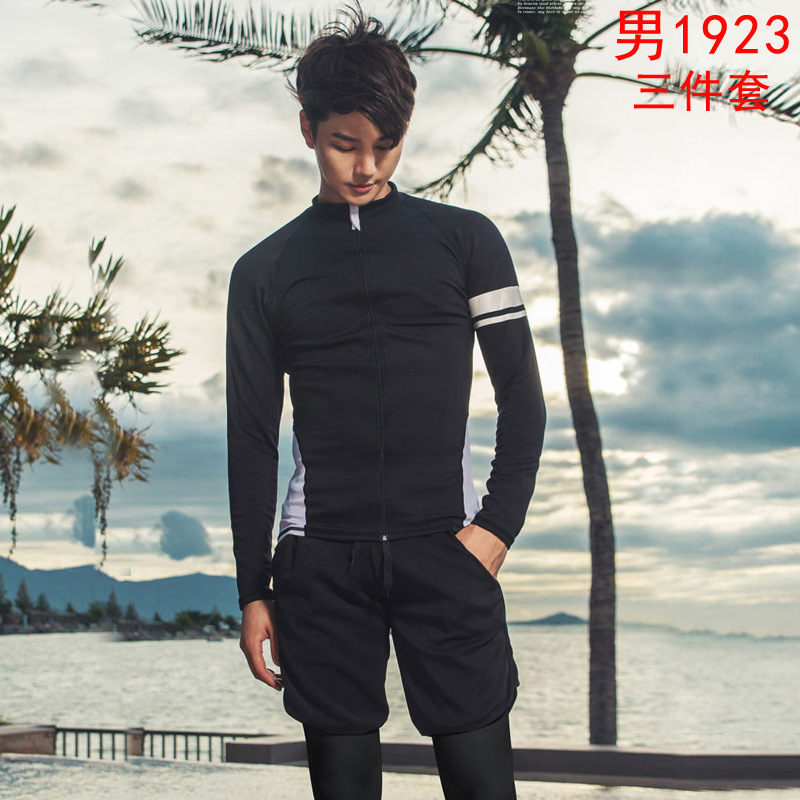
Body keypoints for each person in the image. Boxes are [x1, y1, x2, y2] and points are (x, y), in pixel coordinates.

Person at [225, 4, 546, 799]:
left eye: (386, 144)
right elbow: (252, 437)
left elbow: (522, 396)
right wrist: (254, 589)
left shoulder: (466, 242)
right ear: (308, 129)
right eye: (345, 144)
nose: (365, 166)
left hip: (448, 549)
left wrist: (495, 529)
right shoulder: (264, 272)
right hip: (320, 565)